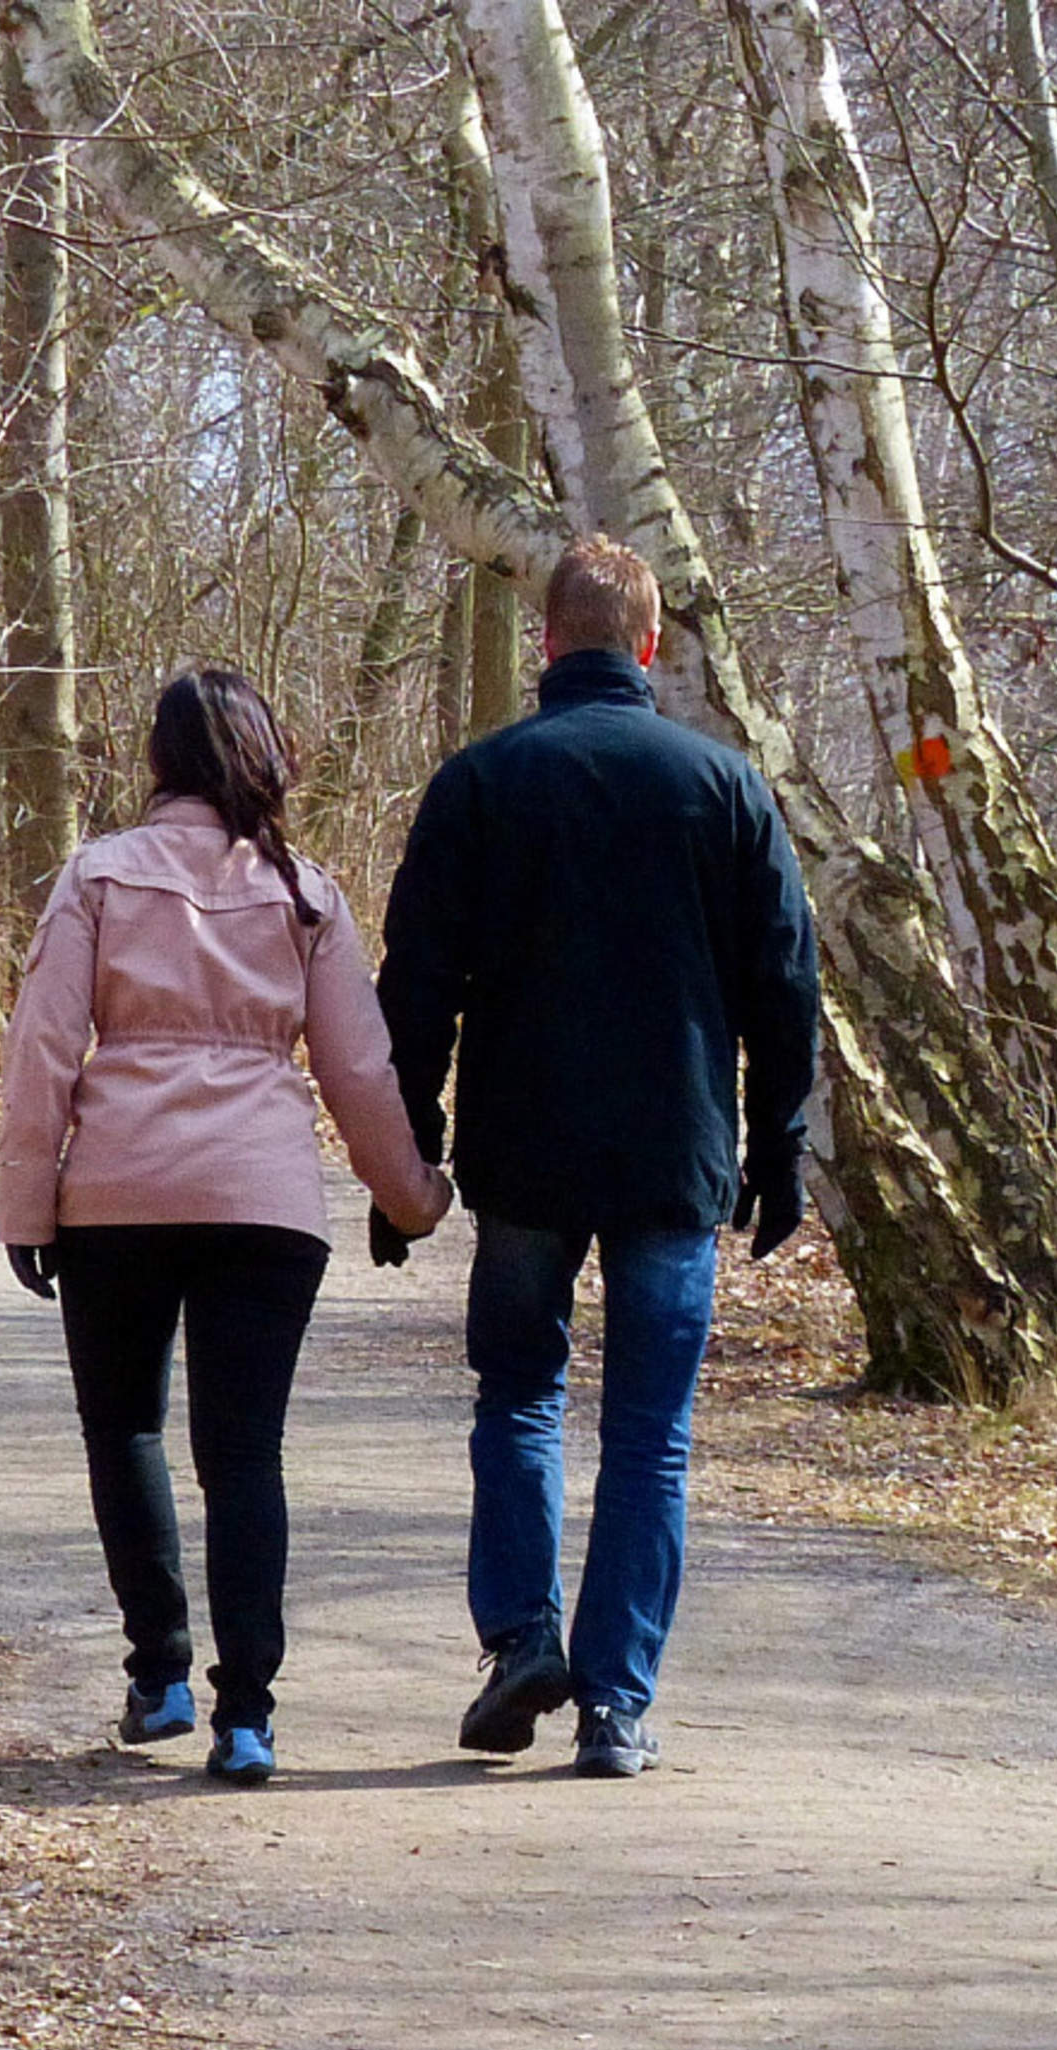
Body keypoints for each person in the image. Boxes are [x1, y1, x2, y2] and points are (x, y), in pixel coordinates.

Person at [378, 536, 822, 1779]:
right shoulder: (723, 786)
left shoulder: (482, 783)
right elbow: (787, 983)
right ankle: (616, 1704)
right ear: (650, 645)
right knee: (649, 1433)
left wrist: (407, 1148)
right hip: (675, 1154)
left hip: (524, 1150)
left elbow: (415, 983)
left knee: (520, 1393)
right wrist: (780, 1143)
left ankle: (524, 1638)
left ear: (547, 641)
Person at [0, 665, 450, 1787]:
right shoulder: (304, 893)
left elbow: (43, 1048)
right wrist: (411, 1197)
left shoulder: (99, 874)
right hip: (265, 1202)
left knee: (125, 1429)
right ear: (263, 757)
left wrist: (27, 1204)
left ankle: (159, 1673)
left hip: (117, 1195)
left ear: (158, 762)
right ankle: (247, 1716)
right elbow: (359, 1069)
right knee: (244, 1454)